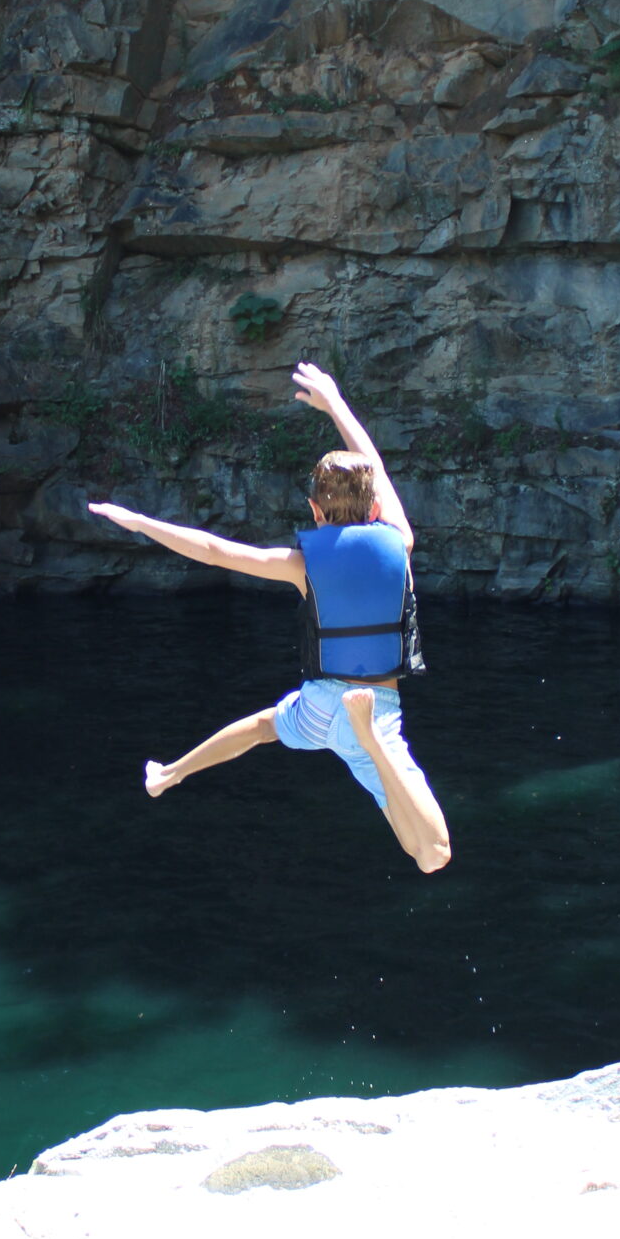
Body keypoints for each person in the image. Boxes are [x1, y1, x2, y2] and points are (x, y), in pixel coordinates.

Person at [88, 361, 451, 874]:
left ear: (314, 511)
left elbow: (214, 550)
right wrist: (335, 404)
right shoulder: (401, 541)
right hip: (377, 711)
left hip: (322, 709)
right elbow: (376, 466)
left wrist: (139, 522)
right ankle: (371, 744)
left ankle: (168, 775)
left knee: (263, 727)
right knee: (431, 857)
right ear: (374, 508)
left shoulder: (301, 565)